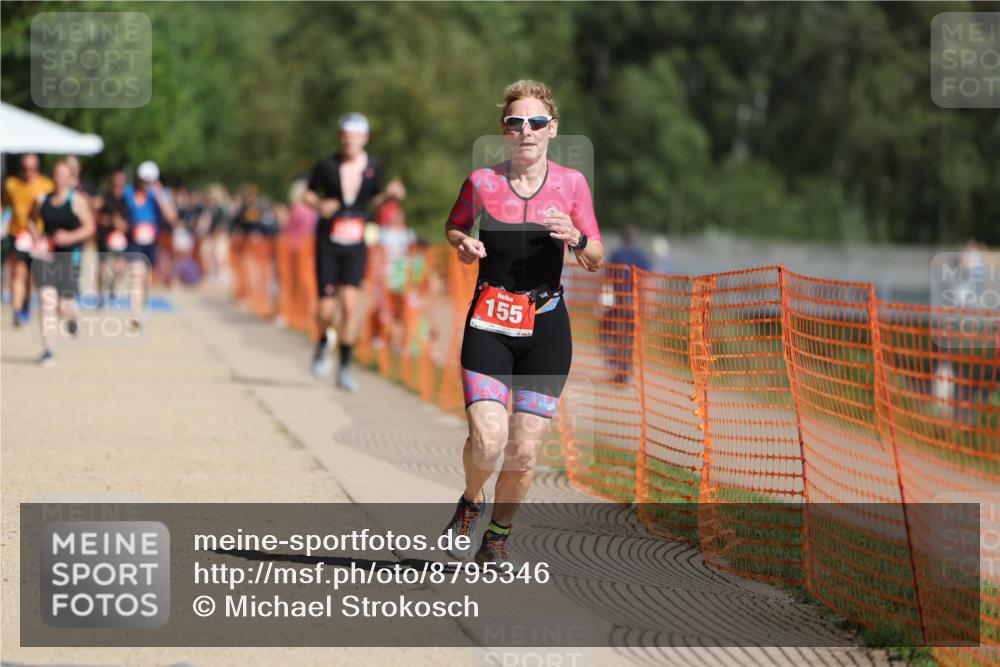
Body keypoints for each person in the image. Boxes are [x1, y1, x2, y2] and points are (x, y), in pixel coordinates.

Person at [441, 80, 603, 564]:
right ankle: (472, 501)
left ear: (552, 129)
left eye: (536, 122)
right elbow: (454, 226)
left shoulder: (572, 184)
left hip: (545, 328)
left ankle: (497, 534)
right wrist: (462, 243)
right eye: (516, 122)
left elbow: (596, 254)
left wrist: (576, 236)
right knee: (488, 442)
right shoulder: (482, 182)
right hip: (490, 321)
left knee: (524, 450)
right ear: (504, 130)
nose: (526, 131)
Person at [305, 112, 402, 390]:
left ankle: (345, 368)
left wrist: (391, 196)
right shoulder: (326, 165)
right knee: (325, 310)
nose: (349, 140)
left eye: (355, 135)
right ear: (340, 137)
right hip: (329, 240)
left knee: (350, 306)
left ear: (365, 138)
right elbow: (308, 193)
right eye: (346, 135)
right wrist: (319, 205)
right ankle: (324, 341)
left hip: (357, 240)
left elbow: (375, 201)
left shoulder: (375, 167)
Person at [30, 160, 95, 366]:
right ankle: (48, 350)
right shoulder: (43, 199)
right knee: (46, 299)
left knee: (63, 307)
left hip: (68, 256)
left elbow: (89, 227)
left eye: (63, 174)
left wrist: (69, 236)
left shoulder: (76, 201)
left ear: (69, 178)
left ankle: (73, 315)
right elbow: (31, 219)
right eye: (56, 173)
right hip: (45, 256)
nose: (58, 178)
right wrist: (36, 235)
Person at [123, 161, 177, 332]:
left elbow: (172, 217)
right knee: (136, 275)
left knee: (146, 279)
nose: (147, 184)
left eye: (150, 181)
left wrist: (159, 195)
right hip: (134, 242)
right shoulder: (129, 193)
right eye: (144, 180)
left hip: (151, 243)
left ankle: (143, 306)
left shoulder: (160, 194)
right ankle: (135, 314)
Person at [2, 154, 54, 326]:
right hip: (18, 235)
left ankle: (25, 305)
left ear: (37, 168)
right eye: (25, 168)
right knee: (18, 272)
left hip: (37, 237)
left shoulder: (46, 185)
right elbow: (3, 203)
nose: (28, 172)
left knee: (31, 277)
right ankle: (16, 311)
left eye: (32, 168)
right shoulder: (11, 184)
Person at [601, 225, 651, 385]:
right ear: (634, 238)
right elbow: (646, 278)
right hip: (633, 302)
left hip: (619, 301)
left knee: (609, 330)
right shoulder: (641, 256)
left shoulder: (617, 254)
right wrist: (646, 302)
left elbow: (608, 276)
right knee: (628, 338)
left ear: (623, 237)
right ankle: (623, 371)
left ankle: (614, 361)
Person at [96, 170, 130, 306]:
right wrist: (103, 220)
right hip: (104, 236)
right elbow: (95, 215)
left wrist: (119, 224)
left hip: (119, 238)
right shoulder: (104, 197)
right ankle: (100, 296)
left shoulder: (126, 200)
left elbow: (127, 223)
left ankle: (111, 285)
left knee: (120, 267)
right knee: (102, 268)